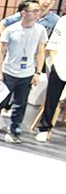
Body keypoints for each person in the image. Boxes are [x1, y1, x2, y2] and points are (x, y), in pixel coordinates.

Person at [0, 0, 47, 143]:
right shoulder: (10, 30)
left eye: (38, 11)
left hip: (27, 74)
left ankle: (14, 131)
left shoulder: (40, 30)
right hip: (8, 73)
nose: (37, 14)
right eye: (34, 11)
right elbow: (0, 53)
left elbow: (41, 52)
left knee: (20, 106)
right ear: (23, 13)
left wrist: (38, 72)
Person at [35, 13, 66, 143]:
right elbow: (53, 45)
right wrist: (55, 65)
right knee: (52, 99)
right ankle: (44, 128)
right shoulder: (63, 21)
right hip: (60, 64)